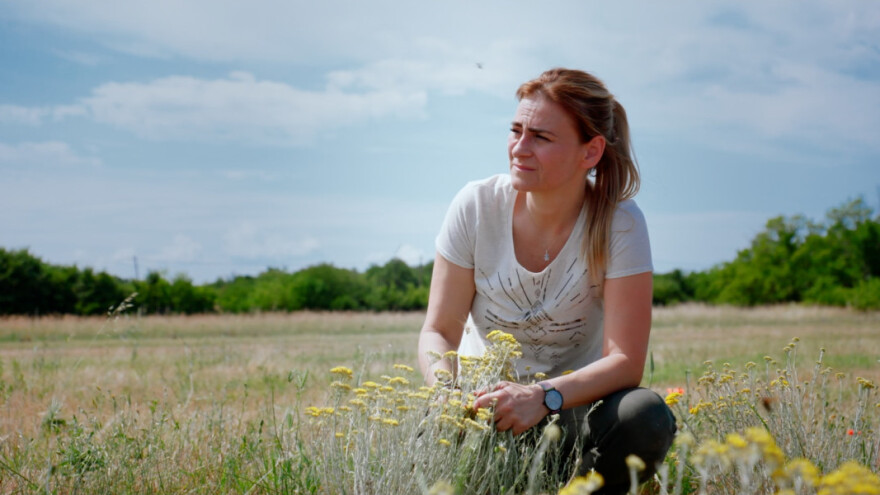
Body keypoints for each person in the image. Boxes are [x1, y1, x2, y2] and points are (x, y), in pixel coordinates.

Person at [417, 68, 676, 493]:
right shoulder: (476, 206)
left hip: (576, 417)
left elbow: (626, 360)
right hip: (487, 412)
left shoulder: (620, 224)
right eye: (516, 130)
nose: (520, 148)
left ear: (590, 153)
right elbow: (439, 330)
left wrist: (542, 397)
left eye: (541, 137)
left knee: (644, 414)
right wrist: (447, 393)